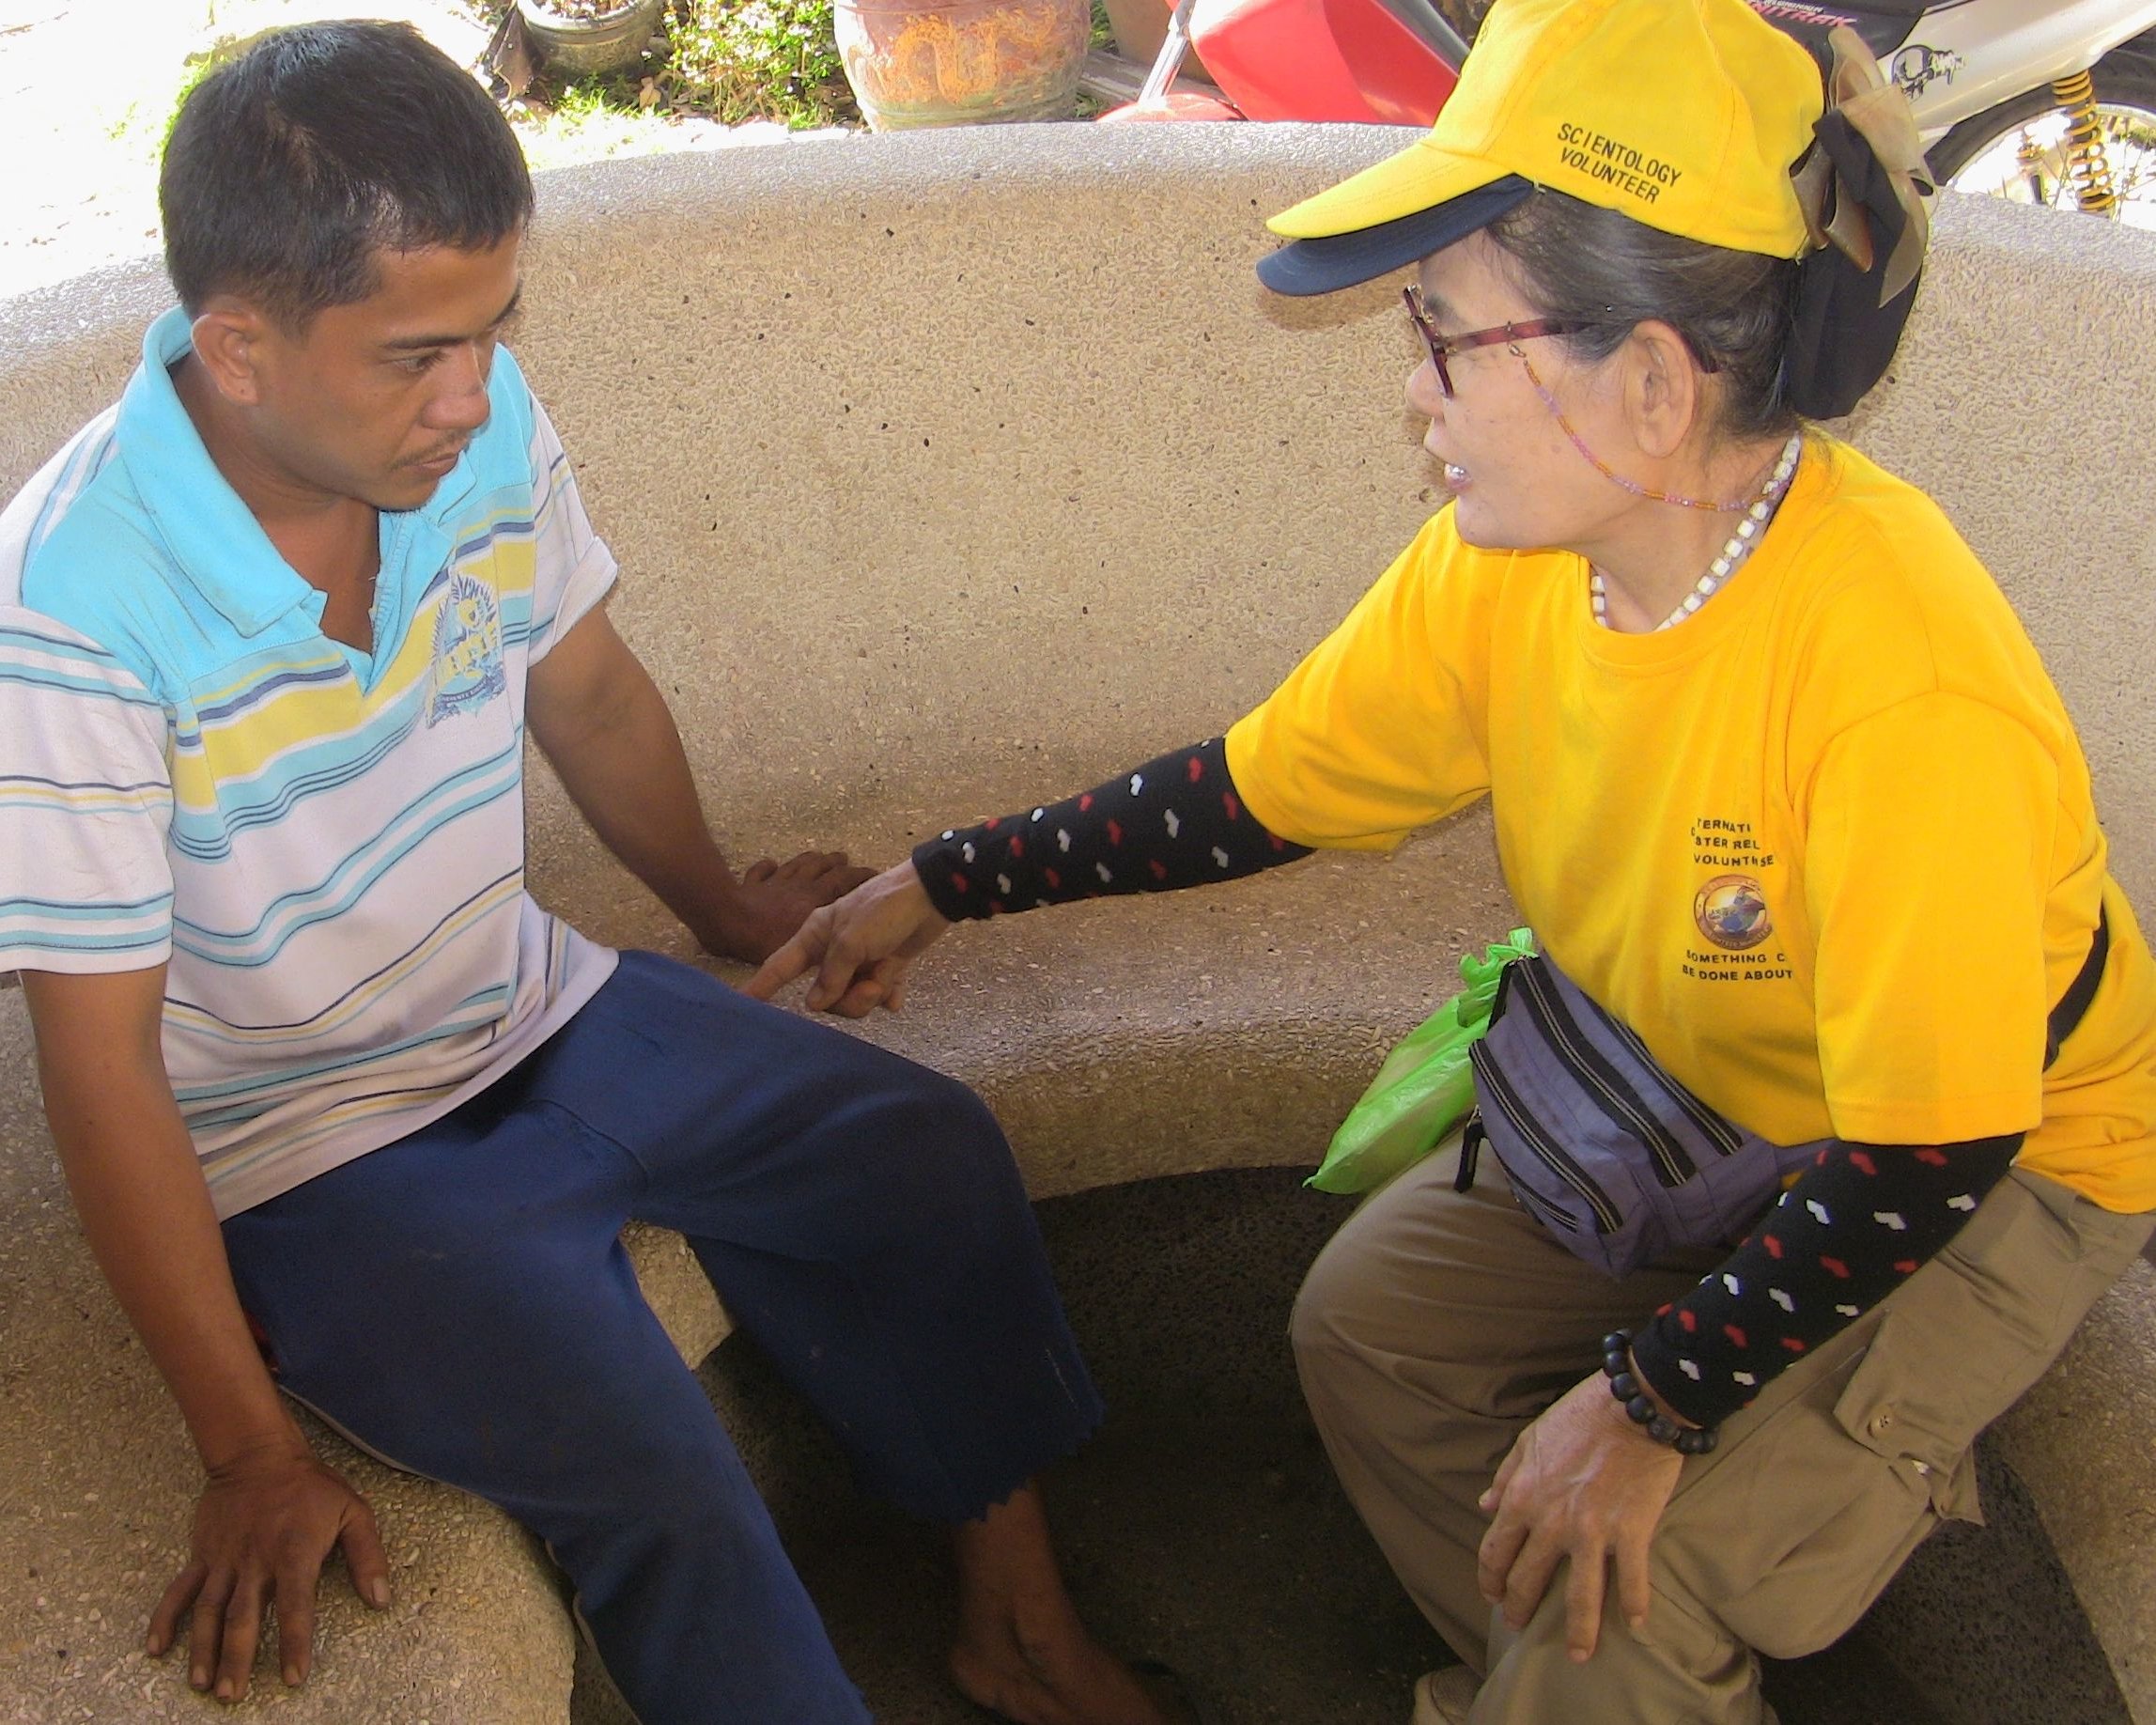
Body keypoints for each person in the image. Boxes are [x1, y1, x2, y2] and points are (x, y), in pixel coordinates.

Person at [750, 1, 2156, 1720]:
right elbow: (1258, 793)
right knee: (1376, 1336)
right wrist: (934, 884)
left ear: (1648, 381)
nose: (1416, 396)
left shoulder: (1893, 687)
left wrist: (1645, 1407)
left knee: (1631, 1597)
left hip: (1991, 1158)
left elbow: (1939, 1141)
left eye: (1443, 335)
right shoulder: (1512, 561)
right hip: (1723, 1086)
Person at [0, 23, 1189, 1725]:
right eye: (420, 355)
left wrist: (721, 913)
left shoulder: (460, 427)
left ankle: (1016, 1635)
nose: (475, 397)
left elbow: (591, 687)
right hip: (305, 1145)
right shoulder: (68, 607)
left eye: (495, 333)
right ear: (240, 348)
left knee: (923, 1157)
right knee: (654, 1467)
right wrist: (246, 1450)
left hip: (528, 996)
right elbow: (97, 1069)